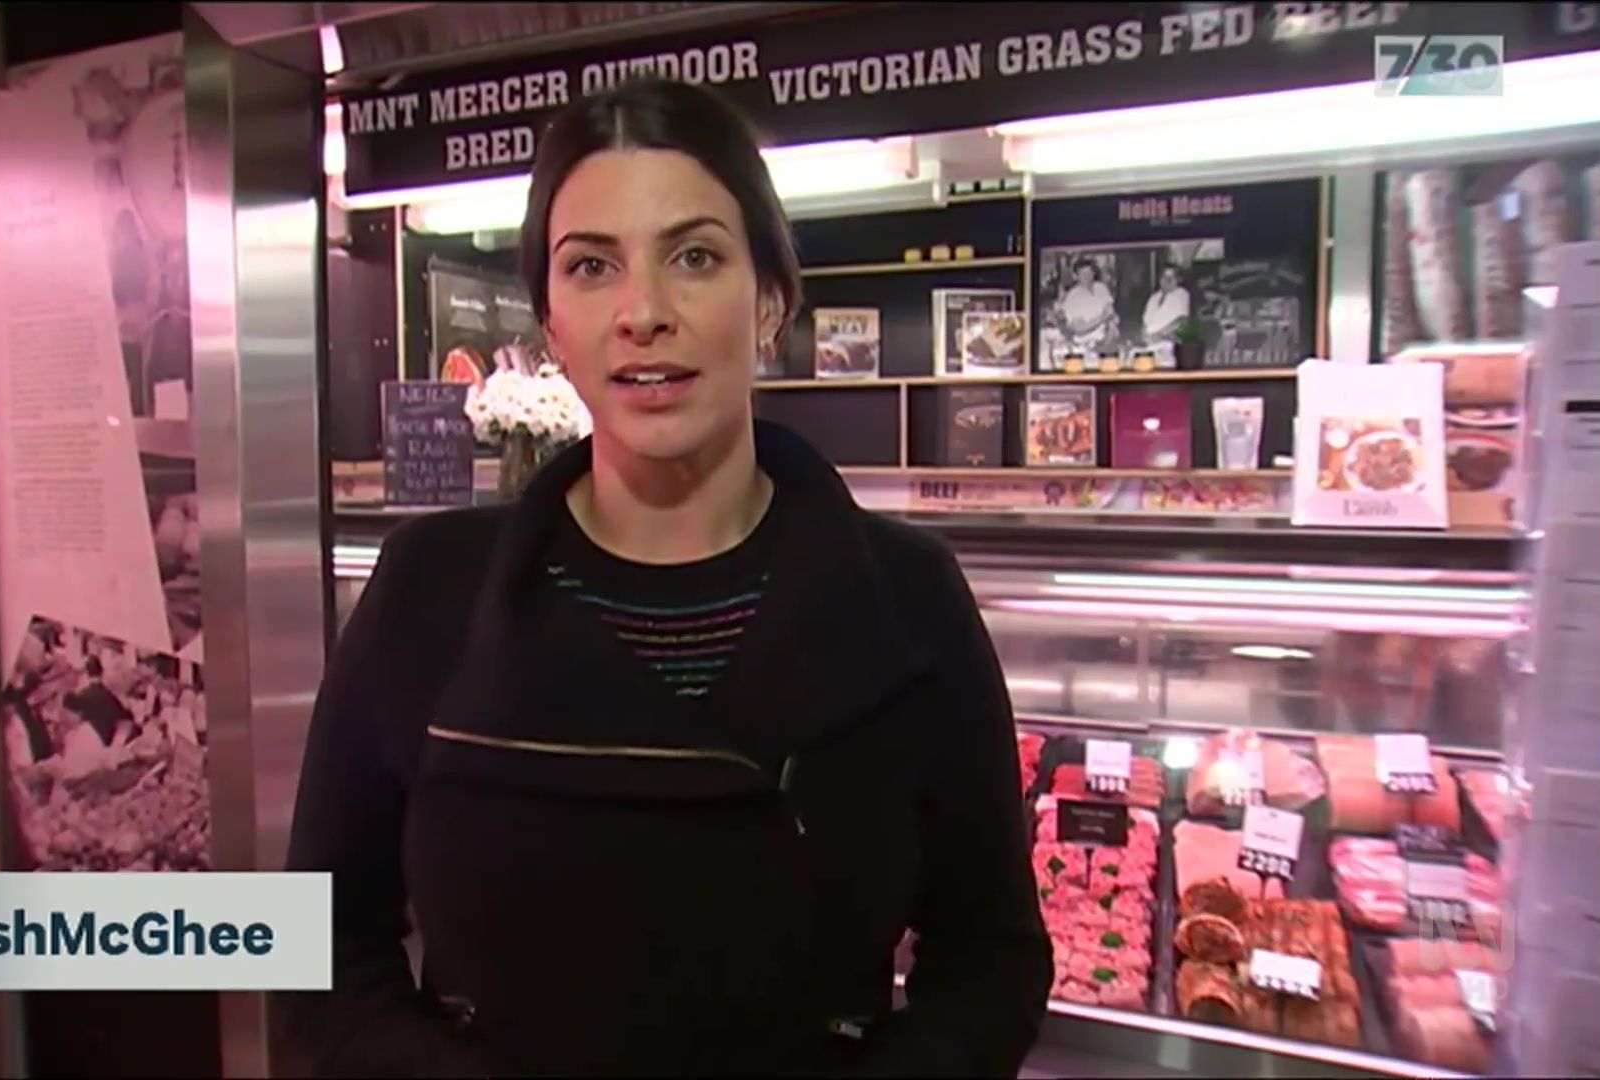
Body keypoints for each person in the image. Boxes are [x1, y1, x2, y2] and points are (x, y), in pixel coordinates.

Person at [284, 77, 1050, 1078]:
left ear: (770, 299)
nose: (643, 312)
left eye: (694, 257)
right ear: (550, 322)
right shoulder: (429, 589)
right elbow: (317, 947)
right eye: (591, 266)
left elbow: (993, 959)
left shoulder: (909, 597)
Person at [1055, 258, 1117, 349]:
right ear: (1076, 276)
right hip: (1085, 344)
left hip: (1108, 339)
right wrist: (1103, 318)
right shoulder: (1072, 297)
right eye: (1082, 274)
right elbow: (1079, 328)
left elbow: (1111, 313)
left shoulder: (1101, 288)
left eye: (1089, 273)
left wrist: (1111, 325)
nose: (1086, 277)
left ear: (1094, 273)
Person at [1141, 263, 1191, 343]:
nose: (1168, 280)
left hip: (1169, 340)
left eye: (1172, 277)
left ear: (1178, 279)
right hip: (1149, 341)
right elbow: (1145, 322)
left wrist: (1160, 334)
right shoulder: (1153, 297)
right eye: (1165, 277)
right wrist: (1145, 336)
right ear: (1160, 279)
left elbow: (1182, 321)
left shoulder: (1181, 294)